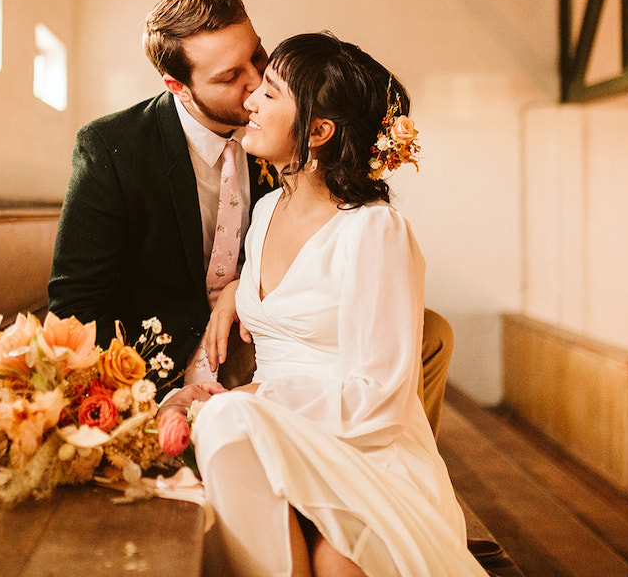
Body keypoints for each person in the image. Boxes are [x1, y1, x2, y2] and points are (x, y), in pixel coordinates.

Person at [180, 33, 487, 577]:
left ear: (318, 132)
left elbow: (380, 400)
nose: (249, 100)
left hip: (367, 452)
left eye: (270, 93)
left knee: (337, 562)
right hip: (279, 438)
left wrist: (255, 398)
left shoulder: (374, 230)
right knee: (223, 424)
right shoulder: (267, 210)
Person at [48, 0, 274, 390]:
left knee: (429, 336)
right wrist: (133, 398)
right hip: (158, 363)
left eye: (257, 54)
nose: (258, 82)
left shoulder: (280, 123)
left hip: (259, 335)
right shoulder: (113, 148)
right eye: (230, 77)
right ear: (178, 87)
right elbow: (76, 306)